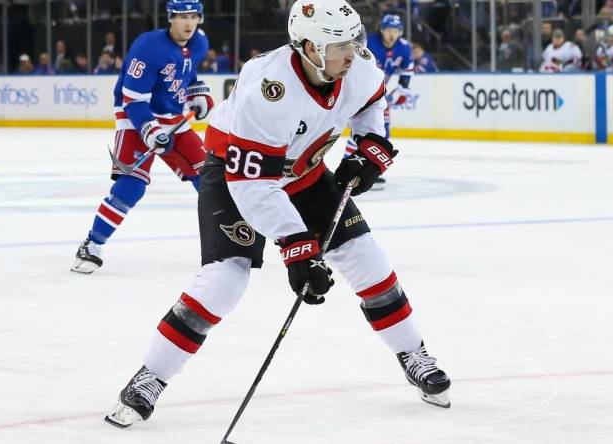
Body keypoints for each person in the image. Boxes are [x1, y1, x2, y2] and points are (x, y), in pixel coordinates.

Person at [104, 0, 451, 429]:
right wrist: (297, 247)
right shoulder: (268, 88)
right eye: (338, 45)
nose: (352, 53)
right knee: (224, 280)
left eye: (353, 41)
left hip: (303, 172)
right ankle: (150, 377)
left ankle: (412, 352)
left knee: (367, 258)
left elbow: (371, 101)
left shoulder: (357, 65)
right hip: (234, 173)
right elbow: (254, 187)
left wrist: (369, 147)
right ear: (308, 46)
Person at [71, 0, 213, 274]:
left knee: (209, 179)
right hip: (135, 117)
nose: (188, 23)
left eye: (193, 16)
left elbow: (188, 72)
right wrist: (150, 130)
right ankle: (92, 244)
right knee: (131, 187)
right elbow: (132, 100)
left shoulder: (199, 42)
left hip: (173, 118)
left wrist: (198, 94)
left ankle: (231, 244)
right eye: (182, 16)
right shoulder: (148, 47)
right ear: (170, 18)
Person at [343, 12, 414, 190]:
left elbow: (406, 70)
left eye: (396, 31)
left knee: (382, 132)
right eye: (389, 30)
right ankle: (349, 165)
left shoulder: (404, 47)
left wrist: (403, 87)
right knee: (361, 131)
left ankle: (366, 167)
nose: (392, 34)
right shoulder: (370, 44)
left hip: (378, 92)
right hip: (360, 90)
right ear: (381, 30)